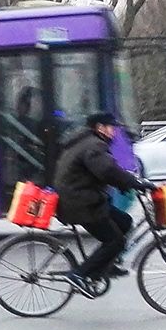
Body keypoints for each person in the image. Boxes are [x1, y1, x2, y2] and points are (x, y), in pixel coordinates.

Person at [52, 110, 154, 296]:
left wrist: (128, 181)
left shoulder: (85, 142)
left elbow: (108, 170)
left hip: (81, 199)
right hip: (80, 203)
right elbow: (106, 171)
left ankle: (106, 265)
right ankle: (79, 275)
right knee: (115, 242)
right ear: (100, 128)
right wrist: (133, 183)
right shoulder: (94, 145)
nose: (114, 132)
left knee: (124, 222)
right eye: (111, 128)